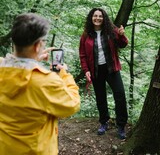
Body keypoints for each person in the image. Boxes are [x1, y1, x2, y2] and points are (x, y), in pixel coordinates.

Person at [0, 13, 80, 155]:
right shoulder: (46, 82)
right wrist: (64, 74)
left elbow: (16, 64)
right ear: (37, 46)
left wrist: (34, 59)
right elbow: (72, 105)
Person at [79, 8, 128, 139]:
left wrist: (122, 35)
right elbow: (82, 55)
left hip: (111, 68)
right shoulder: (86, 35)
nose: (97, 18)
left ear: (104, 18)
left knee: (120, 95)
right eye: (95, 16)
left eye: (100, 16)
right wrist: (86, 70)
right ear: (91, 18)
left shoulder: (111, 31)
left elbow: (123, 44)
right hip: (96, 70)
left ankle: (121, 125)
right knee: (101, 97)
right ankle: (104, 122)